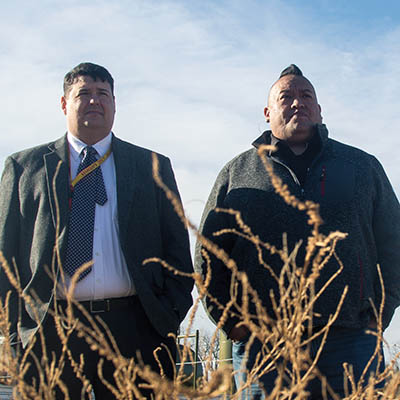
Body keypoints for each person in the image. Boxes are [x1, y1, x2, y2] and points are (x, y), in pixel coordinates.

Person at [195, 64, 400, 398]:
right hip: (264, 348)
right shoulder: (239, 172)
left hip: (350, 342)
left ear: (319, 110)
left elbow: (394, 243)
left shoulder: (362, 167)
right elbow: (209, 254)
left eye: (306, 96)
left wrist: (380, 311)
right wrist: (230, 320)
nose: (297, 103)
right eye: (285, 96)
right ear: (267, 112)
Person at [0, 62, 193, 399]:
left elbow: (176, 252)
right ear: (64, 104)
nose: (94, 101)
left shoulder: (151, 166)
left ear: (115, 103)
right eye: (83, 93)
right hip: (50, 329)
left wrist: (165, 321)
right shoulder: (23, 168)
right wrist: (15, 332)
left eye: (102, 94)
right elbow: (5, 256)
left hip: (135, 330)